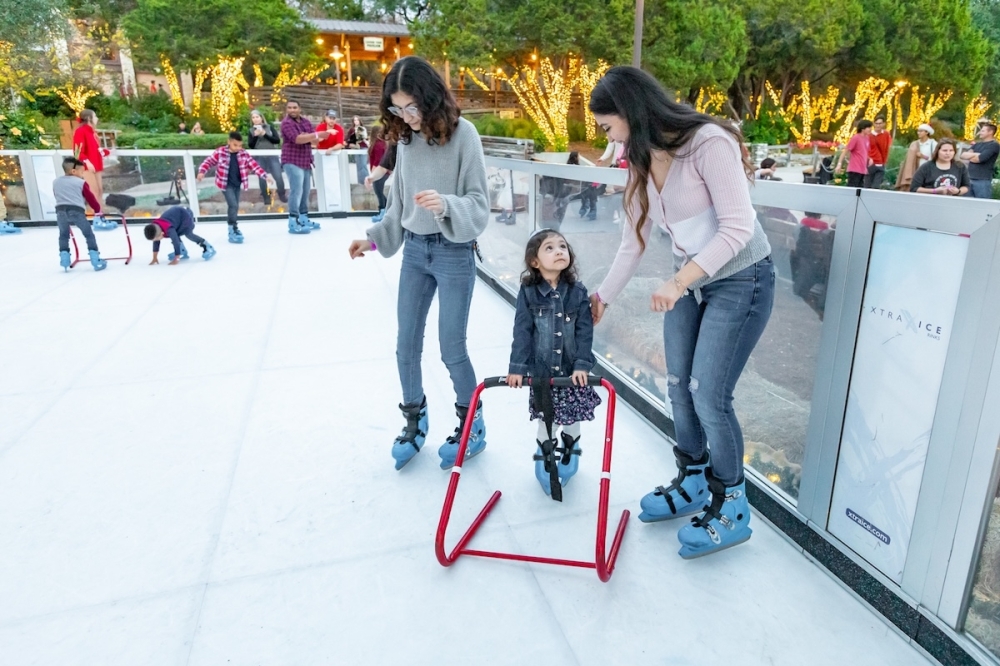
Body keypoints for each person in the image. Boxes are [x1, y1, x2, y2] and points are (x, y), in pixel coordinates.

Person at [588, 66, 774, 559]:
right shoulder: (642, 159)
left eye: (608, 127)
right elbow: (633, 242)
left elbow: (738, 228)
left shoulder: (708, 143)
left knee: (710, 393)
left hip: (741, 277)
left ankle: (732, 502)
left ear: (630, 112)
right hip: (691, 282)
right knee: (677, 384)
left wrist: (677, 281)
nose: (607, 138)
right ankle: (692, 480)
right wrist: (600, 297)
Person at [347, 56, 490, 472]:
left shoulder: (465, 136)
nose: (405, 117)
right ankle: (414, 419)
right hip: (414, 251)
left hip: (453, 253)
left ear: (430, 99)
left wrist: (447, 204)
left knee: (452, 347)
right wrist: (372, 240)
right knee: (405, 343)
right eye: (397, 109)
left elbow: (480, 205)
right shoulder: (406, 143)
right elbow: (396, 204)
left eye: (411, 107)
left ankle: (471, 424)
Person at [506, 230, 600, 499]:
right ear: (534, 262)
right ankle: (545, 455)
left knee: (572, 420)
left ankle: (571, 451)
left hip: (572, 374)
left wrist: (583, 365)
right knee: (547, 422)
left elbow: (584, 331)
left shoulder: (578, 292)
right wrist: (517, 368)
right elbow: (522, 331)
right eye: (549, 248)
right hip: (542, 374)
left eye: (562, 246)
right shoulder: (528, 293)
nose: (559, 251)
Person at [197, 131, 274, 244]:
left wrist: (265, 176)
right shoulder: (220, 152)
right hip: (224, 184)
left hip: (237, 184)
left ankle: (234, 227)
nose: (238, 148)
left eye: (240, 145)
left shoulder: (243, 153)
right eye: (235, 145)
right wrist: (202, 171)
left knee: (235, 206)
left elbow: (254, 165)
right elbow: (208, 161)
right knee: (233, 205)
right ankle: (232, 228)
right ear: (229, 142)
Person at [281, 100, 329, 234]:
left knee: (305, 191)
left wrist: (311, 136)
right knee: (296, 191)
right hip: (291, 160)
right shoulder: (286, 123)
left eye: (294, 107)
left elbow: (314, 141)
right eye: (289, 108)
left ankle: (303, 218)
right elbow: (297, 139)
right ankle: (293, 220)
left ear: (299, 108)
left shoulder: (306, 122)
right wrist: (313, 136)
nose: (292, 110)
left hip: (305, 160)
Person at [54, 157, 108, 272]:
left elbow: (57, 195)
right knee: (88, 234)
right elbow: (90, 198)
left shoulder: (56, 182)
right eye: (81, 172)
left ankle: (64, 259)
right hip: (76, 211)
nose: (82, 174)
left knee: (63, 235)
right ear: (74, 171)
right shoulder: (81, 182)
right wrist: (97, 210)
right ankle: (95, 259)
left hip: (60, 211)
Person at [73, 110, 115, 230]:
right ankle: (96, 218)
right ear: (88, 118)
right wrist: (86, 161)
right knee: (94, 192)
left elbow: (95, 149)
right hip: (87, 166)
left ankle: (101, 216)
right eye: (95, 116)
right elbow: (78, 151)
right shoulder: (80, 132)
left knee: (100, 190)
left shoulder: (92, 132)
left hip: (96, 164)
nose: (97, 118)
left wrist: (105, 152)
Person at [143, 206, 216, 264]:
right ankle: (181, 250)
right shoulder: (156, 228)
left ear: (162, 234)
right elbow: (156, 242)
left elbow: (176, 242)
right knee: (176, 234)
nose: (156, 241)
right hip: (176, 219)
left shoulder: (169, 229)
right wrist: (154, 257)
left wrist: (176, 258)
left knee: (188, 234)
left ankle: (208, 247)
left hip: (185, 217)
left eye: (156, 239)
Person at [248, 109, 287, 205]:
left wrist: (264, 134)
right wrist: (256, 136)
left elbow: (277, 140)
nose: (255, 119)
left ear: (261, 118)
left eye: (257, 117)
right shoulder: (251, 130)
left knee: (278, 176)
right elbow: (251, 146)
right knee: (262, 177)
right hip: (259, 156)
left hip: (272, 155)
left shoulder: (269, 127)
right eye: (253, 117)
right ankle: (266, 196)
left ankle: (281, 194)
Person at [961, 121, 999, 199]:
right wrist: (975, 154)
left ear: (990, 132)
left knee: (982, 205)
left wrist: (972, 156)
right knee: (966, 203)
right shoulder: (977, 144)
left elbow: (980, 159)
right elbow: (963, 155)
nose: (980, 133)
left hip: (982, 180)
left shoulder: (994, 145)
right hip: (969, 178)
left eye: (982, 131)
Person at [894, 123, 936, 191]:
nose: (918, 133)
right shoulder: (914, 143)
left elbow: (935, 158)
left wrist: (922, 156)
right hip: (915, 170)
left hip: (927, 171)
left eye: (921, 131)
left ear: (927, 132)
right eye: (918, 131)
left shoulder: (933, 144)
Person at [834, 119, 873, 188]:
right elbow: (846, 151)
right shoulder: (856, 138)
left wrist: (869, 159)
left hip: (862, 169)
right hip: (855, 169)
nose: (870, 129)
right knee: (852, 189)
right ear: (863, 128)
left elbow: (863, 152)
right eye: (868, 127)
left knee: (860, 191)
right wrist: (839, 164)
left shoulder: (867, 138)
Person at [364, 126, 391, 222]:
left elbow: (378, 161)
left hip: (380, 171)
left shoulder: (378, 144)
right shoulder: (381, 144)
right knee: (379, 191)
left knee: (378, 192)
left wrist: (373, 175)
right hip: (383, 171)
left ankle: (384, 212)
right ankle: (386, 211)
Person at [864, 116, 892, 189]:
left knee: (876, 186)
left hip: (881, 163)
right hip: (870, 162)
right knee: (867, 185)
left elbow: (887, 148)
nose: (878, 125)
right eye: (876, 123)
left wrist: (885, 161)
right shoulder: (869, 135)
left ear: (884, 124)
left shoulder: (886, 134)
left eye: (880, 123)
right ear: (874, 124)